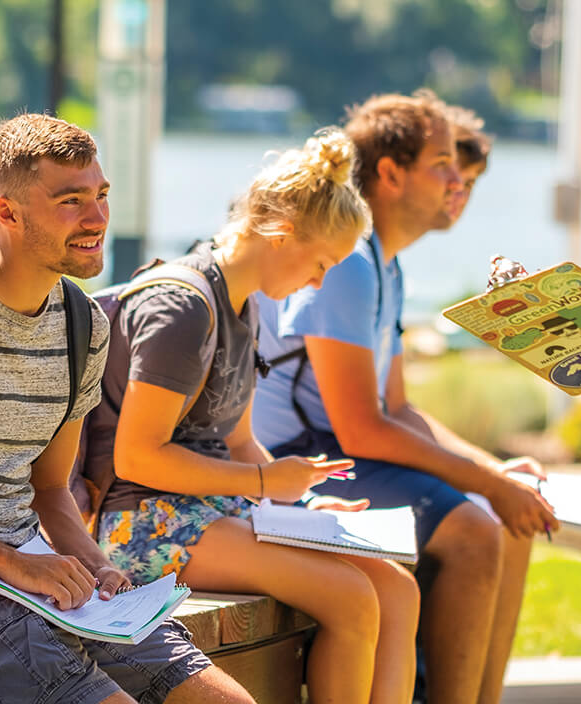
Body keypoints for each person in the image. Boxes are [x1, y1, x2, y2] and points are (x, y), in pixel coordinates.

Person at [0, 113, 253, 704]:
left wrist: (93, 563)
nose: (98, 218)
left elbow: (51, 490)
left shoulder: (84, 325)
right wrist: (8, 562)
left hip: (28, 567)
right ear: (6, 212)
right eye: (71, 201)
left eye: (101, 195)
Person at [92, 129, 419, 704]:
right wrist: (266, 484)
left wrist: (307, 504)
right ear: (282, 233)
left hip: (207, 512)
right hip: (139, 524)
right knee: (351, 597)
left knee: (395, 588)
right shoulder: (184, 309)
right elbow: (137, 455)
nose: (317, 282)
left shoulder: (243, 304)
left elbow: (240, 442)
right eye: (320, 264)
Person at [251, 92, 556, 704]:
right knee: (474, 530)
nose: (457, 179)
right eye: (443, 163)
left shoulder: (383, 265)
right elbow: (363, 428)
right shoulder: (351, 264)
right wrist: (488, 486)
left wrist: (496, 474)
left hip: (337, 450)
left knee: (506, 519)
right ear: (390, 175)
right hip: (289, 462)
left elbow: (400, 411)